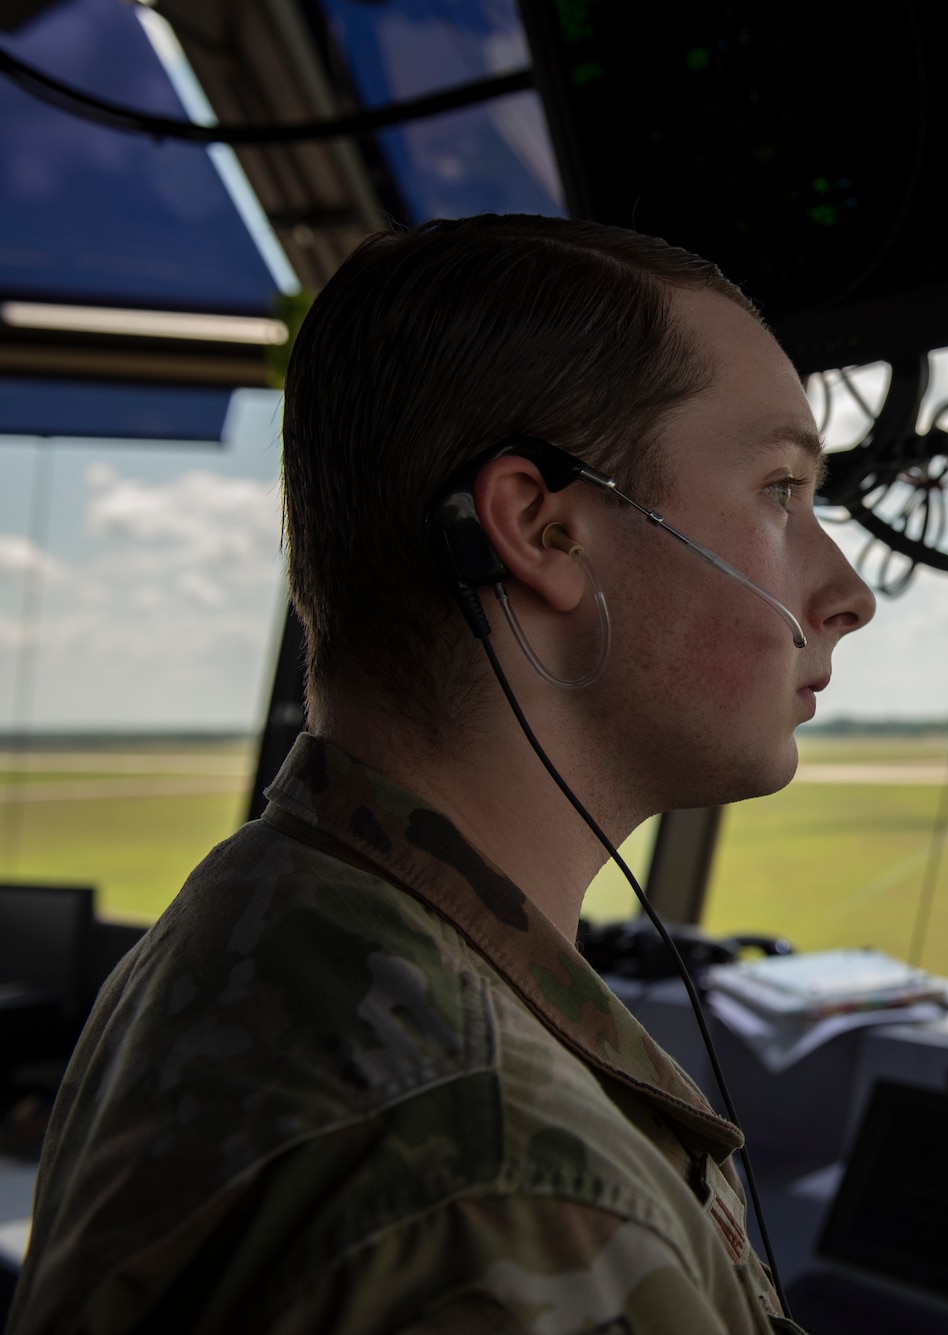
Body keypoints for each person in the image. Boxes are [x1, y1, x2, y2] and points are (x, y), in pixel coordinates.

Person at [8, 214, 875, 1334]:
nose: (846, 591)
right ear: (542, 531)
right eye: (778, 492)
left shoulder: (258, 918)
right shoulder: (507, 1198)